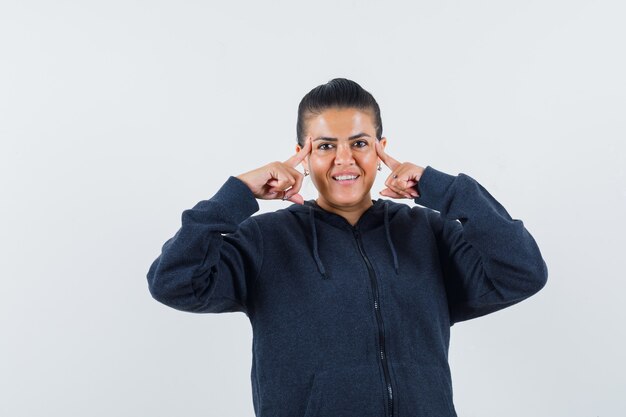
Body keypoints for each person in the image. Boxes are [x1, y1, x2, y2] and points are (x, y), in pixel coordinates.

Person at [146, 78, 548, 417]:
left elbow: (522, 271)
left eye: (359, 143)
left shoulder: (429, 232)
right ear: (302, 153)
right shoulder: (265, 240)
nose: (344, 160)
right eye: (325, 146)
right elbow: (174, 282)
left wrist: (446, 189)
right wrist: (236, 195)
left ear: (380, 147)